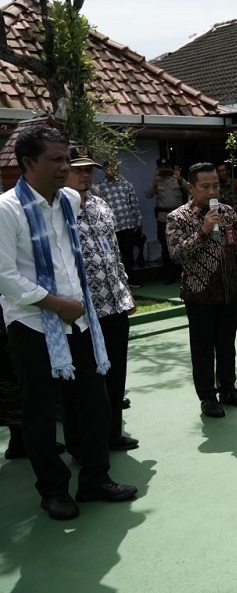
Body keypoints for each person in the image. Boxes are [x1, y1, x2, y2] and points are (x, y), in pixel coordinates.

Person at [0, 125, 137, 520]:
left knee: (94, 403)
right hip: (33, 324)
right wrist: (54, 302)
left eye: (67, 159)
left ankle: (95, 478)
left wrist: (73, 304)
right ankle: (54, 491)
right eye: (56, 160)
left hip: (78, 320)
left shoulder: (71, 200)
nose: (65, 167)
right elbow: (5, 275)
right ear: (28, 163)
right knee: (41, 412)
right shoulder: (8, 209)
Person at [166, 162, 237, 418]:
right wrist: (204, 230)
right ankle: (207, 397)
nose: (211, 190)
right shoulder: (178, 217)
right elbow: (176, 254)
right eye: (205, 186)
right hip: (200, 294)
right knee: (203, 347)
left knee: (227, 344)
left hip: (230, 290)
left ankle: (228, 389)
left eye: (215, 185)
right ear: (191, 187)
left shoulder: (227, 212)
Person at [65, 147, 139, 451]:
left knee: (115, 372)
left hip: (114, 303)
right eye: (78, 169)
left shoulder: (100, 205)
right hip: (82, 310)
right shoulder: (57, 210)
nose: (85, 175)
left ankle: (112, 433)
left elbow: (114, 253)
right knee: (84, 380)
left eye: (88, 170)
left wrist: (125, 288)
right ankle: (83, 442)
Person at [91, 160, 143, 283]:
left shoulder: (126, 184)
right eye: (109, 168)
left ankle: (130, 279)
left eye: (115, 168)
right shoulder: (100, 187)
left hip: (127, 224)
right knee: (115, 254)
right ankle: (119, 280)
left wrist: (139, 221)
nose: (113, 171)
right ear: (104, 170)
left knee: (128, 253)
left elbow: (134, 204)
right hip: (112, 227)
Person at [144, 157, 187, 283]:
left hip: (179, 218)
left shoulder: (177, 179)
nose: (164, 170)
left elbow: (191, 189)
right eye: (161, 168)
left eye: (166, 167)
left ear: (171, 168)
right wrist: (154, 182)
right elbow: (147, 194)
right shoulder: (157, 181)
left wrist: (180, 179)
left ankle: (183, 273)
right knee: (166, 247)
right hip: (163, 218)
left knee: (182, 245)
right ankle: (169, 274)